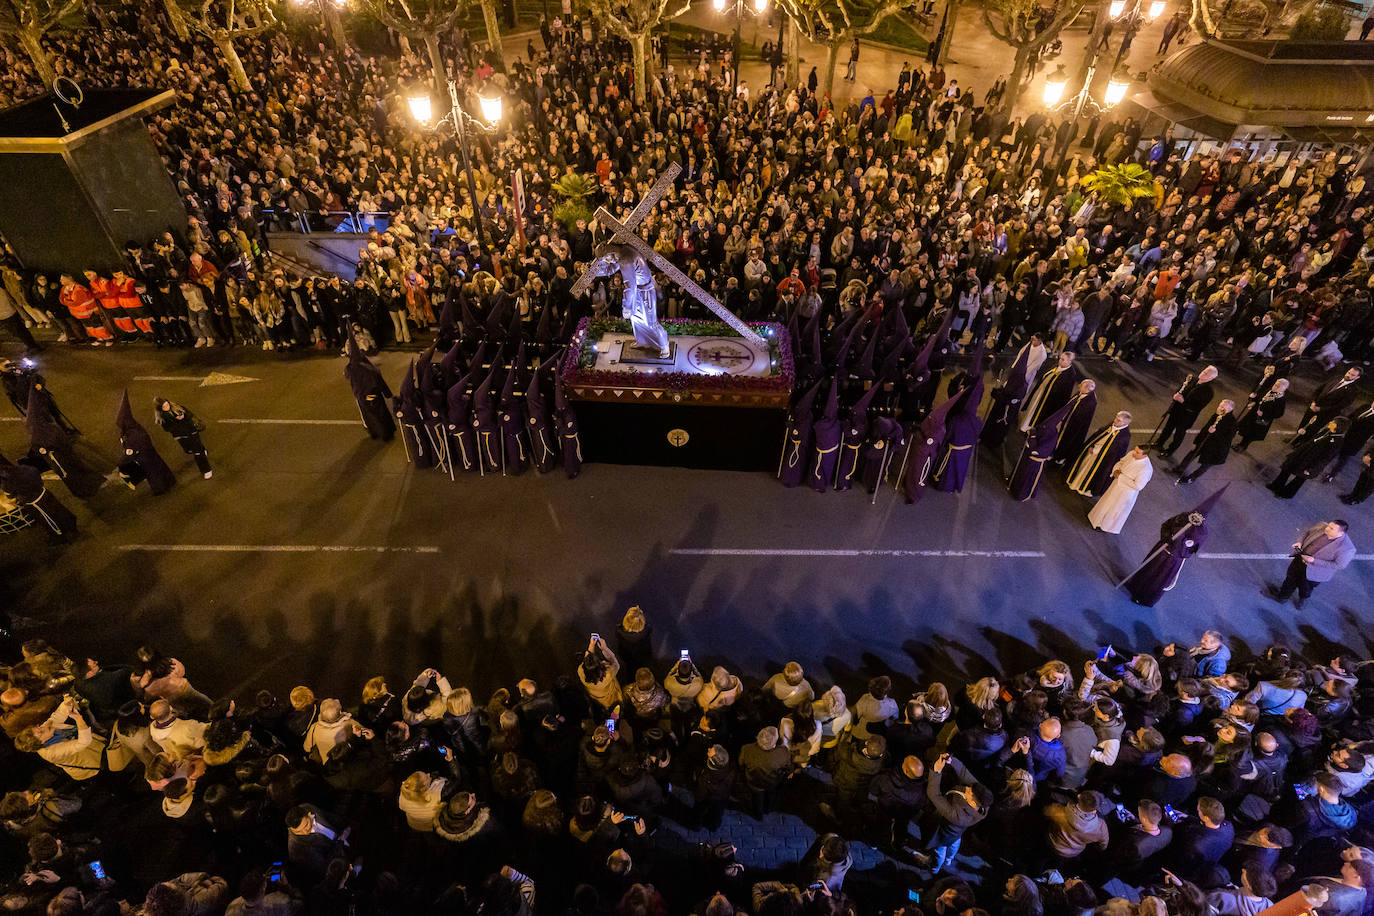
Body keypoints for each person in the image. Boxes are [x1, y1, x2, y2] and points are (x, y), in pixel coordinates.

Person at [1266, 519, 1356, 609]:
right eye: (1329, 525)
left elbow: (1339, 565)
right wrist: (1300, 542)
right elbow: (1307, 533)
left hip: (1315, 571)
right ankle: (1282, 597)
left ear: (1340, 534)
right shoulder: (1322, 526)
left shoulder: (1347, 549)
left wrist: (1314, 561)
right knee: (1290, 579)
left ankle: (1302, 601)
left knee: (1305, 587)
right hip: (1300, 559)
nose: (1327, 528)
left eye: (1331, 528)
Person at [1269, 418, 1348, 498]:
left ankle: (1286, 494)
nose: (1330, 422)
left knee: (1299, 478)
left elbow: (1326, 458)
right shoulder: (1326, 431)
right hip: (1303, 453)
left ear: (1338, 426)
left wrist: (1312, 469)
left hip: (1311, 462)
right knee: (1287, 468)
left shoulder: (1338, 442)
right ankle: (1276, 485)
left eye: (1333, 422)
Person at [1150, 365, 1218, 457]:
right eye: (1204, 371)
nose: (1203, 373)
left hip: (1186, 418)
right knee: (1167, 429)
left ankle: (1170, 451)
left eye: (1206, 373)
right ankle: (1159, 443)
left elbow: (1197, 407)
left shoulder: (1208, 392)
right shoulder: (1192, 379)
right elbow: (1181, 389)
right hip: (1175, 410)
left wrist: (1183, 401)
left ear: (1211, 378)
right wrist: (1176, 395)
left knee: (1178, 436)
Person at [1067, 410, 1132, 497]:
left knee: (1093, 473)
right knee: (1083, 468)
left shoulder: (1124, 437)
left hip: (1102, 459)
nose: (1115, 421)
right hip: (1094, 453)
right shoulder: (1113, 425)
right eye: (1116, 418)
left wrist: (1095, 451)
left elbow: (1113, 451)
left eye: (1119, 420)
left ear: (1124, 423)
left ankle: (1087, 488)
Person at [1088, 446, 1153, 534]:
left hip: (1126, 492)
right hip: (1116, 484)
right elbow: (1121, 462)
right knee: (1106, 502)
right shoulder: (1132, 454)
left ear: (1145, 455)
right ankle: (1095, 518)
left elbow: (1138, 486)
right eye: (1135, 450)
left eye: (1137, 453)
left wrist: (1120, 476)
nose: (1133, 453)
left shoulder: (1146, 469)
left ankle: (1105, 526)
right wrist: (1116, 470)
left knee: (1114, 509)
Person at [1174, 399, 1236, 485]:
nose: (1219, 408)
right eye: (1220, 405)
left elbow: (1227, 439)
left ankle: (1191, 478)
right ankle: (1180, 468)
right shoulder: (1216, 415)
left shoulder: (1232, 423)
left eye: (1222, 407)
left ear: (1229, 409)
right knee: (1191, 454)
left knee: (1205, 465)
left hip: (1216, 450)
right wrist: (1196, 442)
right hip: (1205, 442)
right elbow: (1204, 429)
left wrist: (1215, 432)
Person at [154, 397, 213, 478]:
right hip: (181, 436)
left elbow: (190, 414)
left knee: (198, 453)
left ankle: (206, 470)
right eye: (164, 407)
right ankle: (201, 450)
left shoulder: (177, 407)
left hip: (192, 431)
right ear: (160, 409)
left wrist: (184, 416)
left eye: (167, 404)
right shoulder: (162, 418)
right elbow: (168, 429)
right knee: (189, 450)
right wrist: (178, 420)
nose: (167, 407)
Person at [1233, 379, 1288, 453]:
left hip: (1261, 419)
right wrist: (1253, 398)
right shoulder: (1269, 391)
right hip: (1253, 414)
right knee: (1246, 429)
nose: (1275, 387)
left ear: (1283, 389)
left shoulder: (1281, 400)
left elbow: (1279, 414)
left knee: (1251, 434)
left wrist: (1264, 414)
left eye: (1278, 386)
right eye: (1275, 385)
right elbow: (1260, 398)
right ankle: (1240, 443)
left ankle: (1242, 446)